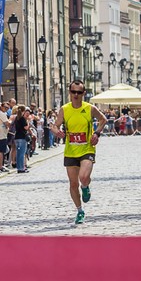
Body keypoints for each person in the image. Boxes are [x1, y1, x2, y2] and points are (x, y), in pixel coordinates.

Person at [50, 80, 108, 224]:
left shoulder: (90, 108)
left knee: (83, 177)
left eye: (79, 92)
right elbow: (54, 126)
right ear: (69, 93)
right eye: (73, 92)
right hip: (70, 151)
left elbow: (103, 120)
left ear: (83, 93)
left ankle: (86, 186)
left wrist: (97, 133)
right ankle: (80, 211)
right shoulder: (64, 109)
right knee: (73, 184)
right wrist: (57, 132)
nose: (76, 95)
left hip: (87, 148)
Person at [13, 105, 30, 173]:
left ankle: (19, 167)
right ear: (23, 111)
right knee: (22, 154)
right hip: (22, 137)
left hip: (17, 137)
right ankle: (21, 168)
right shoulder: (22, 118)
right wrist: (28, 123)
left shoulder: (16, 118)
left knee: (18, 153)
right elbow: (26, 127)